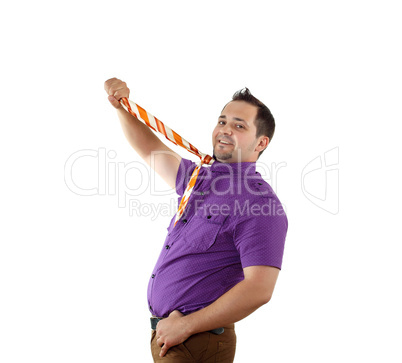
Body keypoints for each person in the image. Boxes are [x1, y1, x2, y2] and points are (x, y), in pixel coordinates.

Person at [104, 78, 288, 362]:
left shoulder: (260, 204)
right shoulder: (198, 179)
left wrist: (187, 325)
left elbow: (260, 289)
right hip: (173, 337)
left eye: (239, 126)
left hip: (196, 340)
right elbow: (150, 149)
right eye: (222, 121)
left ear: (261, 142)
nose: (225, 130)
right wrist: (122, 106)